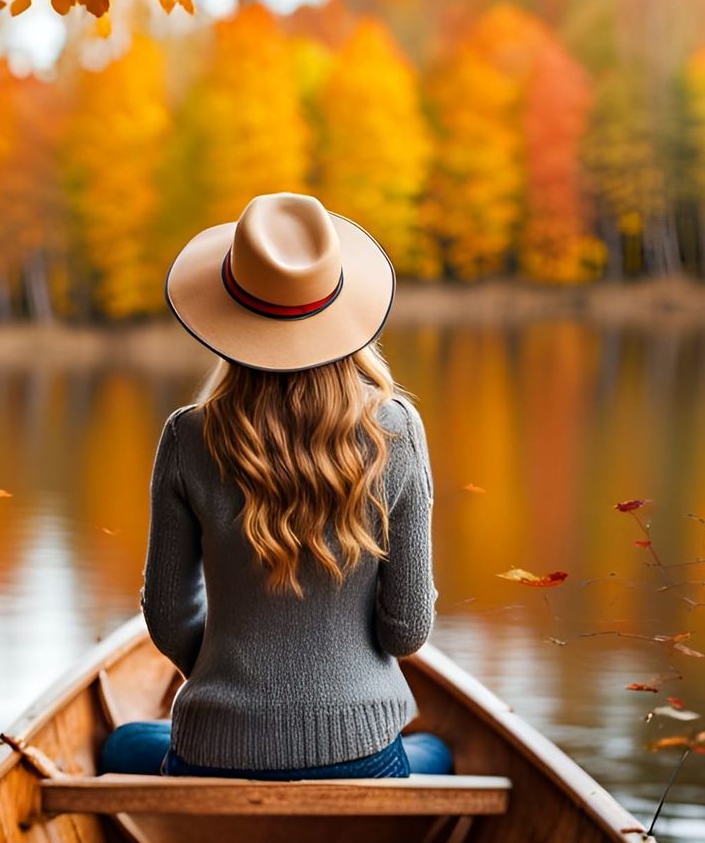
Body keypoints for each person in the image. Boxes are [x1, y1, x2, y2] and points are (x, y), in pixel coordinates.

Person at [98, 192, 451, 780]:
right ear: (340, 311)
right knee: (437, 753)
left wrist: (227, 683)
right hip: (358, 756)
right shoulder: (397, 430)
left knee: (123, 745)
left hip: (212, 754)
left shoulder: (188, 437)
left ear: (229, 318)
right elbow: (407, 628)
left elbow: (166, 617)